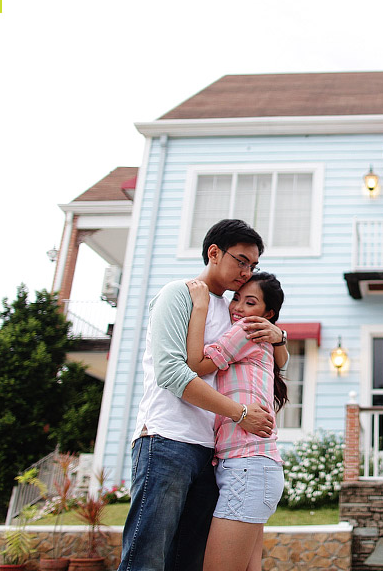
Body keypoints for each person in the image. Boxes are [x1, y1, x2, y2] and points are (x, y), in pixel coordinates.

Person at [118, 219, 286, 571]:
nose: (246, 271)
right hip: (167, 440)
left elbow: (265, 356)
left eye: (252, 265)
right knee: (146, 558)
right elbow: (173, 372)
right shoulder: (178, 293)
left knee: (188, 561)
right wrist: (241, 413)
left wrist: (280, 336)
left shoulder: (232, 309)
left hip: (211, 453)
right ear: (214, 252)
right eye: (241, 260)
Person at [185, 273, 288, 571]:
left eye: (250, 302)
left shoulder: (245, 330)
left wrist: (200, 307)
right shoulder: (260, 335)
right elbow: (284, 360)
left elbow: (194, 365)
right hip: (253, 468)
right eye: (237, 299)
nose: (238, 308)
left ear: (267, 314)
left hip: (248, 468)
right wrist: (280, 335)